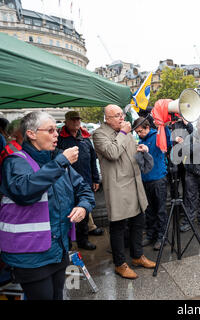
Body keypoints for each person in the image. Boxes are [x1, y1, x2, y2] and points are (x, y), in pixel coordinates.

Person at [0, 111, 95, 300]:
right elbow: (24, 191)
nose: (56, 134)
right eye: (50, 130)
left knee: (57, 296)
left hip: (57, 250)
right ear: (31, 134)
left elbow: (83, 188)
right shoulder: (16, 161)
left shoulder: (58, 160)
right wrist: (60, 163)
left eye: (56, 130)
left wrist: (83, 206)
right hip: (31, 255)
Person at [93, 105, 155, 280]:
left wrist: (140, 149)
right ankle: (120, 264)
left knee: (138, 221)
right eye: (117, 115)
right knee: (118, 226)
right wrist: (124, 133)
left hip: (134, 183)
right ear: (108, 118)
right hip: (118, 186)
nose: (122, 118)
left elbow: (129, 150)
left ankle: (137, 256)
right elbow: (112, 153)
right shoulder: (99, 134)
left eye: (122, 115)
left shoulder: (124, 132)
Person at [57, 111, 100, 251]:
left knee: (84, 214)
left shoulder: (85, 139)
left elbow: (93, 159)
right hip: (66, 184)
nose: (76, 122)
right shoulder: (60, 139)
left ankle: (83, 240)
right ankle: (66, 243)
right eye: (73, 120)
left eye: (78, 120)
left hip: (85, 182)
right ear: (66, 121)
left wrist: (95, 178)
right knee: (66, 214)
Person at [133, 117, 170, 251]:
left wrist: (164, 124)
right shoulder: (141, 140)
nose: (138, 134)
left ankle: (162, 236)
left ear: (147, 127)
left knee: (160, 210)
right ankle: (151, 234)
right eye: (137, 132)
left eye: (140, 131)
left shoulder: (158, 135)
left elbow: (167, 136)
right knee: (149, 210)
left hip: (158, 179)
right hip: (146, 180)